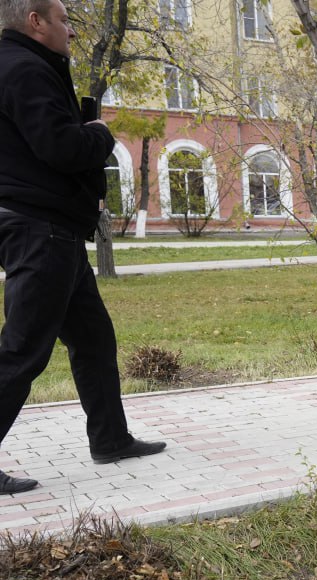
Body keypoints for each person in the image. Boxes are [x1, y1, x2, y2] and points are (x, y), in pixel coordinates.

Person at [0, 0, 165, 496]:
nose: (71, 31)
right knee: (23, 351)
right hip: (40, 228)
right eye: (64, 20)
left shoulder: (21, 66)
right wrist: (98, 135)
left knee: (93, 339)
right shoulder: (23, 68)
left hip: (51, 229)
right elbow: (60, 147)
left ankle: (110, 439)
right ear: (35, 22)